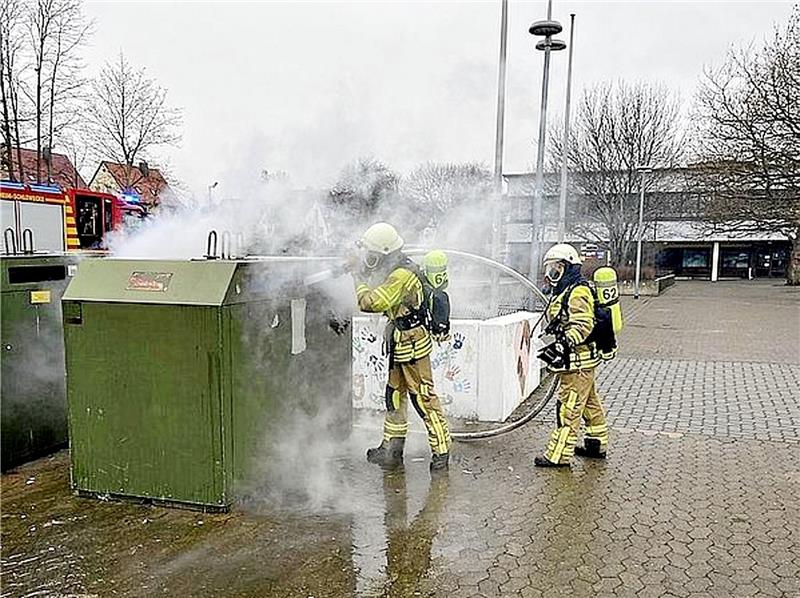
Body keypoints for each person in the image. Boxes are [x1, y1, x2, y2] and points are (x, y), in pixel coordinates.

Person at [349, 223, 451, 472]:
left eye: (373, 255)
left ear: (384, 253)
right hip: (399, 342)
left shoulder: (401, 276)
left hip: (413, 345)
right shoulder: (393, 268)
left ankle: (441, 451)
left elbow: (371, 302)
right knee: (394, 397)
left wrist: (358, 277)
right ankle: (391, 449)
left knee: (423, 398)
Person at [534, 243, 609, 467]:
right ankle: (597, 443)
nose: (551, 274)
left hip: (577, 362)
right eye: (548, 269)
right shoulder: (567, 289)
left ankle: (558, 456)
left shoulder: (578, 291)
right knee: (589, 404)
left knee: (569, 407)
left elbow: (583, 324)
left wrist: (565, 342)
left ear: (567, 267)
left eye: (555, 268)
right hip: (580, 361)